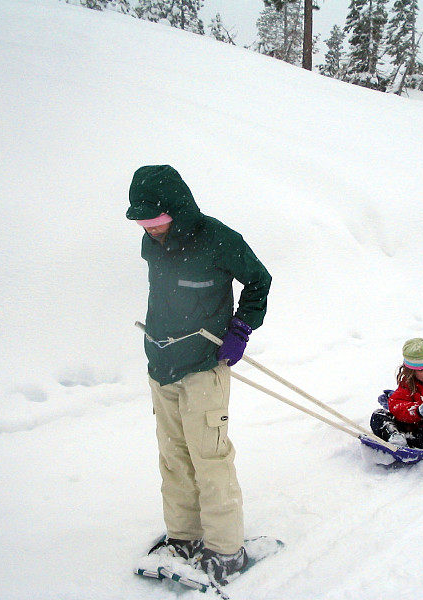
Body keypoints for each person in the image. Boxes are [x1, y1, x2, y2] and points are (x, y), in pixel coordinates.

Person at [127, 165, 272, 584]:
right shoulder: (151, 242)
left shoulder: (218, 238)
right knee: (173, 457)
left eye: (156, 220)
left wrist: (241, 329)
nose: (150, 229)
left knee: (210, 458)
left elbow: (259, 280)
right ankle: (184, 537)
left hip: (204, 367)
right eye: (142, 222)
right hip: (161, 364)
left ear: (179, 209)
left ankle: (226, 549)